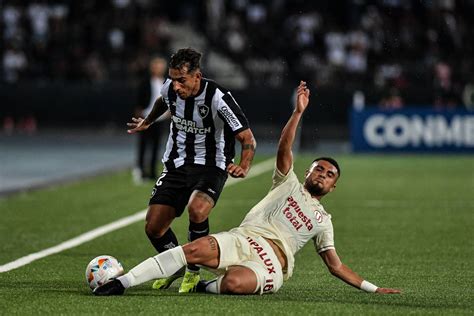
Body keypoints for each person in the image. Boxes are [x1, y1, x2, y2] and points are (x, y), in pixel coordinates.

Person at [94, 81, 401, 296]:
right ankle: (123, 283)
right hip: (244, 239)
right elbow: (284, 148)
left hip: (271, 263)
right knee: (192, 251)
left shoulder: (324, 221)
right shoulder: (288, 181)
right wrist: (297, 113)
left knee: (234, 285)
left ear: (333, 186)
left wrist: (372, 287)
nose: (322, 174)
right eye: (319, 168)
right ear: (307, 172)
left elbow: (335, 266)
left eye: (330, 174)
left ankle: (203, 286)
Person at [126, 48, 256, 293]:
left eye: (181, 80)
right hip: (177, 163)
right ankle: (173, 266)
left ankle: (193, 271)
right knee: (153, 227)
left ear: (198, 76)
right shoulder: (169, 88)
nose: (176, 86)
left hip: (211, 165)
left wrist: (244, 165)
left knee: (197, 210)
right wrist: (148, 121)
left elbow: (247, 137)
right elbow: (161, 100)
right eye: (173, 79)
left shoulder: (218, 97)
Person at [132, 57, 169, 183]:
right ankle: (140, 171)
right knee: (143, 145)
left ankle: (152, 172)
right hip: (145, 117)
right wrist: (139, 114)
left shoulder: (166, 82)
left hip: (160, 119)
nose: (159, 69)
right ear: (152, 68)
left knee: (156, 146)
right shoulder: (145, 81)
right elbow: (139, 99)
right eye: (156, 66)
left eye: (161, 66)